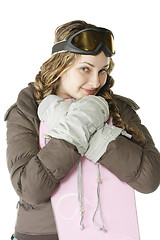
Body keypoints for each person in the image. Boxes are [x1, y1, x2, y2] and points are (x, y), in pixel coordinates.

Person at [5, 20, 160, 240]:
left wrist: (98, 134)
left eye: (102, 70)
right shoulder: (26, 110)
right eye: (85, 68)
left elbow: (149, 179)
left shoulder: (117, 108)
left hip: (112, 232)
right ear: (59, 65)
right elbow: (31, 190)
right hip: (41, 235)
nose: (96, 81)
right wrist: (78, 126)